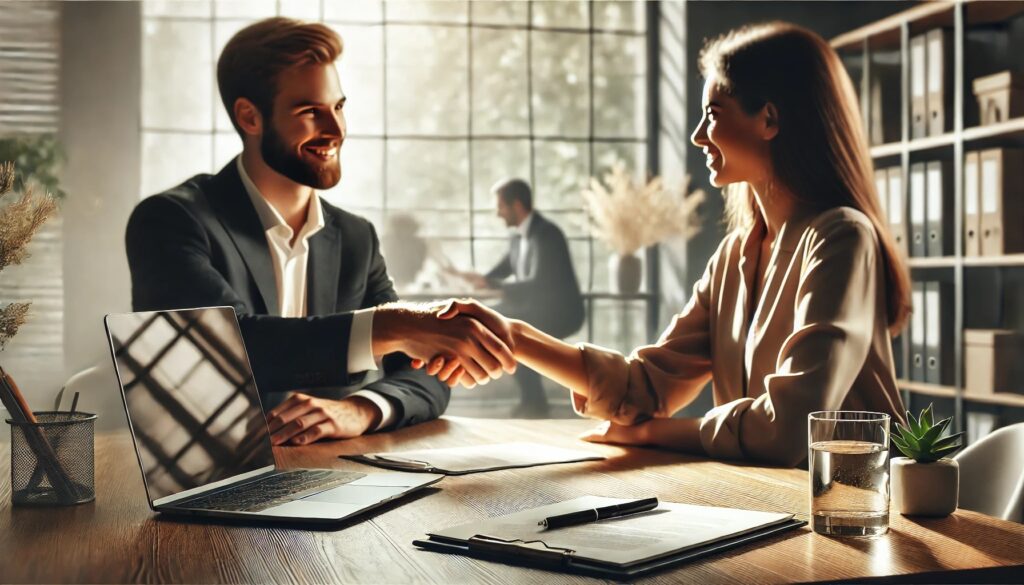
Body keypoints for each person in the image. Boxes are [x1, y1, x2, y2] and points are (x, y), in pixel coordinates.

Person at [424, 22, 909, 467]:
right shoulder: (734, 257)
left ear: (769, 119)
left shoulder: (841, 238)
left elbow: (791, 430)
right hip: (772, 506)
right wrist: (513, 336)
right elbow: (646, 385)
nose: (699, 136)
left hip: (856, 519)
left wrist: (653, 435)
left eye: (712, 115)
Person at [125, 18, 514, 447]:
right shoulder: (169, 222)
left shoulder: (355, 238)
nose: (335, 130)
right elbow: (234, 348)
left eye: (339, 107)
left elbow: (425, 376)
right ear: (249, 117)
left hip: (335, 475)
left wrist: (361, 410)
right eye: (310, 112)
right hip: (213, 481)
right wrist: (391, 324)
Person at [454, 179, 584, 418]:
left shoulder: (548, 234)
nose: (497, 213)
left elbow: (540, 283)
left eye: (500, 206)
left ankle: (534, 402)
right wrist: (475, 278)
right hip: (533, 309)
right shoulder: (516, 239)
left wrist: (492, 284)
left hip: (560, 312)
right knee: (493, 319)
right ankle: (533, 401)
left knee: (505, 326)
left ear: (516, 205)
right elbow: (499, 272)